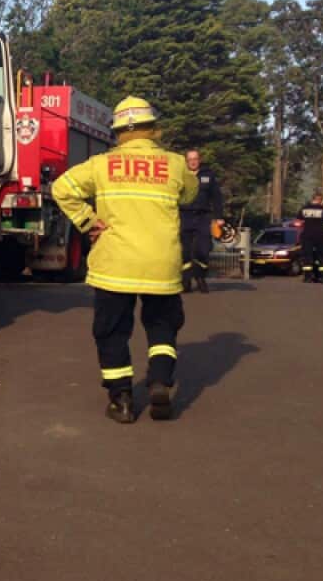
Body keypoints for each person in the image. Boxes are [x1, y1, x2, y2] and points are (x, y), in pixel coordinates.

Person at [53, 96, 198, 424]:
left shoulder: (101, 164)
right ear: (152, 129)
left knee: (112, 331)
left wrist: (88, 221)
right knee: (162, 326)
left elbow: (62, 188)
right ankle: (160, 381)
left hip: (115, 265)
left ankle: (121, 400)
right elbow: (189, 195)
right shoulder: (175, 164)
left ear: (118, 131)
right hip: (161, 265)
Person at [179, 149, 224, 293]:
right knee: (184, 251)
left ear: (199, 160)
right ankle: (185, 281)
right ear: (186, 161)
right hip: (184, 216)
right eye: (190, 159)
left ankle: (200, 278)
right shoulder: (180, 175)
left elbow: (217, 197)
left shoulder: (208, 175)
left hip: (202, 217)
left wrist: (219, 217)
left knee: (203, 249)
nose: (193, 161)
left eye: (195, 158)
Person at [297, 191, 323, 283]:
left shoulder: (304, 209)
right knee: (322, 257)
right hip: (320, 236)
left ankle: (307, 278)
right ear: (319, 199)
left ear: (312, 199)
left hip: (307, 236)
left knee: (307, 257)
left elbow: (298, 223)